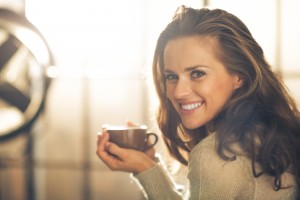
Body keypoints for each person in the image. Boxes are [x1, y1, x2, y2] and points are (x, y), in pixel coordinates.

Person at [96, 5, 300, 200]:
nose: (178, 92)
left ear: (239, 76)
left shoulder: (216, 155)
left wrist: (145, 168)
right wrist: (147, 166)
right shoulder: (277, 134)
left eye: (197, 73)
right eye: (170, 76)